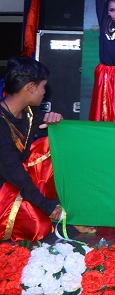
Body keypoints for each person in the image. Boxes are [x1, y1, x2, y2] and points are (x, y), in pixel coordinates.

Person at [0, 57, 63, 241]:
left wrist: (54, 119)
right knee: (39, 227)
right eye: (43, 86)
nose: (44, 92)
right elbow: (16, 174)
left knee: (50, 143)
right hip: (5, 189)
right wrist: (47, 207)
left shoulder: (29, 113)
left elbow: (43, 123)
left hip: (15, 185)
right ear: (30, 87)